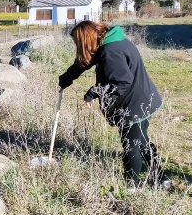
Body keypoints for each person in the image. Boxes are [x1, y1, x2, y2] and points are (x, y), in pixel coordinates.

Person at [57, 21, 167, 189]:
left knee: (131, 146)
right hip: (143, 98)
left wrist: (93, 93)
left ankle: (132, 189)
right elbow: (85, 61)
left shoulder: (110, 52)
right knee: (141, 141)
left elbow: (122, 82)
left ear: (86, 40)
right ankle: (161, 178)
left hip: (134, 103)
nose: (77, 46)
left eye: (78, 43)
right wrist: (66, 78)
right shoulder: (110, 41)